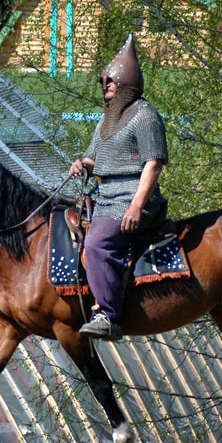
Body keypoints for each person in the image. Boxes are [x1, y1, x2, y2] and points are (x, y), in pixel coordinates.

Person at [68, 33, 168, 341]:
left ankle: (108, 315)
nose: (106, 84)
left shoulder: (146, 116)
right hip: (105, 194)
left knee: (97, 244)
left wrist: (137, 206)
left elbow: (153, 163)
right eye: (104, 80)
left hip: (135, 195)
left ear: (127, 82)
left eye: (111, 80)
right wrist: (82, 165)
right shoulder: (105, 121)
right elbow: (94, 159)